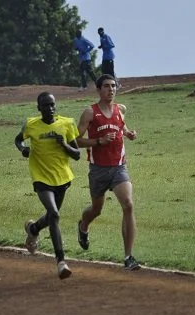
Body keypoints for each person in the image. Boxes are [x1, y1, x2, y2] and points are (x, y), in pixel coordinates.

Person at [75, 74, 140, 271]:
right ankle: (83, 226)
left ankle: (128, 257)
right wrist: (98, 141)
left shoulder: (120, 110)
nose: (111, 89)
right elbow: (76, 140)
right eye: (106, 86)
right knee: (96, 210)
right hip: (98, 170)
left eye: (114, 86)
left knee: (128, 204)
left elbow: (121, 127)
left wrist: (128, 134)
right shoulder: (90, 113)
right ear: (99, 89)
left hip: (119, 167)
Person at [14, 92, 81, 279]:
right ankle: (61, 262)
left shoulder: (66, 124)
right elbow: (18, 139)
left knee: (52, 217)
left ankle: (33, 229)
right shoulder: (31, 125)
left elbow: (77, 154)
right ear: (39, 108)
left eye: (52, 105)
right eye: (45, 106)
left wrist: (64, 145)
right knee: (55, 214)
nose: (50, 108)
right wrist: (23, 149)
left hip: (62, 177)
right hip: (41, 176)